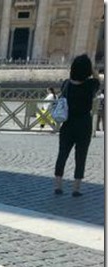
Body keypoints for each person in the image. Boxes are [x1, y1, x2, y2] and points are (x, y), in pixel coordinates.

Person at [53, 54, 100, 197]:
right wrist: (92, 70)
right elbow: (98, 79)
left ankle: (58, 186)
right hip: (84, 124)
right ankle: (76, 188)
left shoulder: (66, 84)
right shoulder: (91, 85)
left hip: (67, 123)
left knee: (62, 154)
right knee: (81, 156)